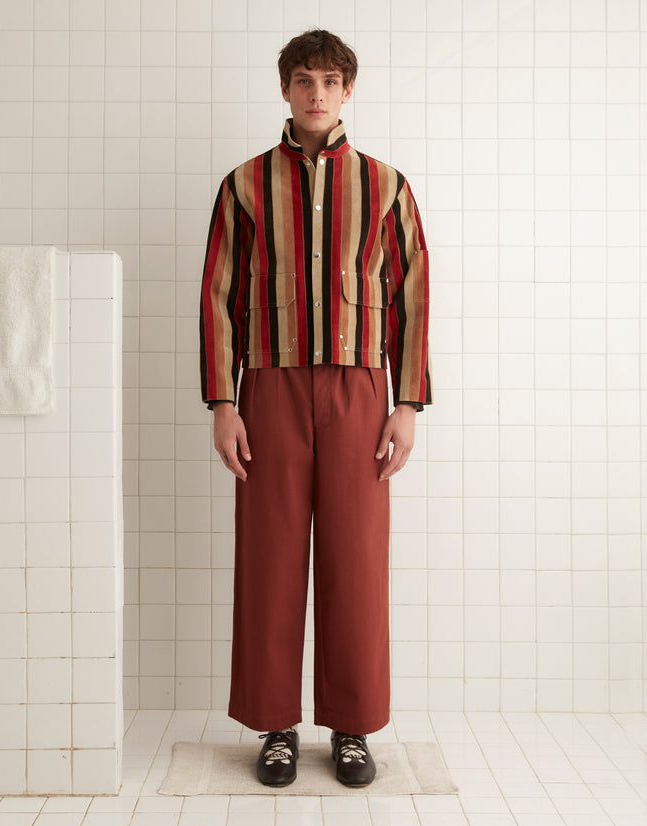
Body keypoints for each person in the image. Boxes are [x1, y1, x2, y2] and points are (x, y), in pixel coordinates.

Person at [200, 29, 432, 788]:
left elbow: (412, 298)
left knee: (356, 561)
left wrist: (408, 403)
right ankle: (275, 726)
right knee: (269, 558)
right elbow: (218, 298)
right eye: (304, 80)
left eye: (331, 81)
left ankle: (353, 727)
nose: (317, 93)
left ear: (348, 91)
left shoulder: (388, 185)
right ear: (285, 88)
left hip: (362, 391)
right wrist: (224, 401)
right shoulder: (243, 185)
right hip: (268, 386)